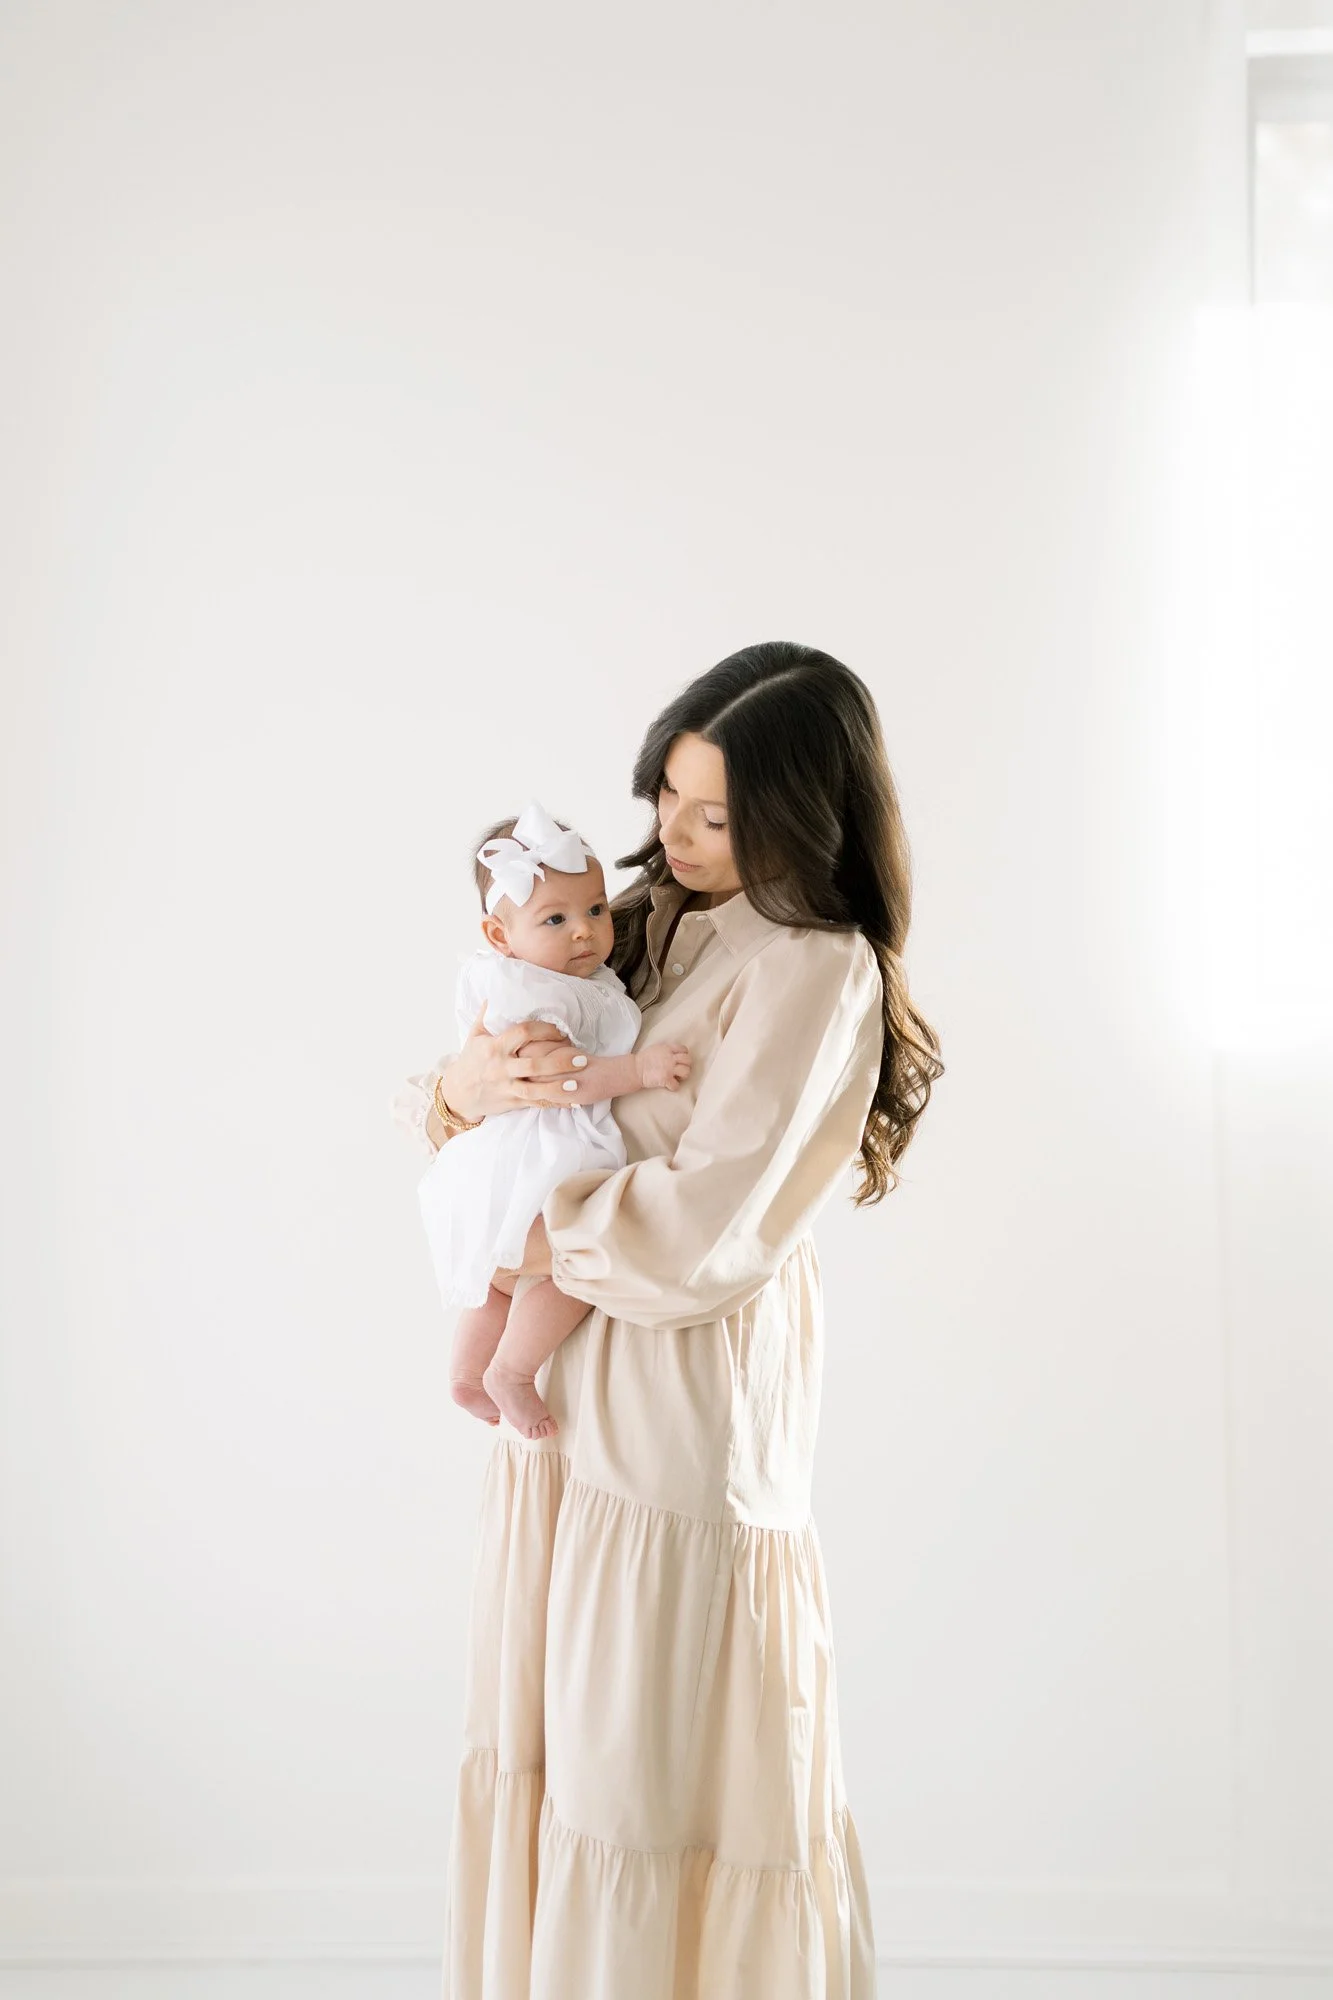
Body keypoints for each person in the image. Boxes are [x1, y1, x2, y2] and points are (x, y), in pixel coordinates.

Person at [393, 639, 943, 1999]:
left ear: (803, 812)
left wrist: (527, 1226)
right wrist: (466, 1086)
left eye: (713, 814)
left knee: (646, 1763)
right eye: (667, 802)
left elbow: (710, 1223)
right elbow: (472, 1103)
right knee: (562, 1746)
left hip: (683, 1401)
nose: (675, 838)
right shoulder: (640, 920)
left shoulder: (818, 970)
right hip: (573, 1387)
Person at [410, 795, 691, 1439]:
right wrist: (639, 1072)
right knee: (575, 1264)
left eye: (595, 909)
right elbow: (562, 1079)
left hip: (501, 1161)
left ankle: (464, 1373)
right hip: (541, 1155)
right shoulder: (534, 994)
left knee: (503, 1282)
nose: (585, 931)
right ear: (500, 936)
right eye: (556, 918)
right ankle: (511, 1369)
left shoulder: (552, 978)